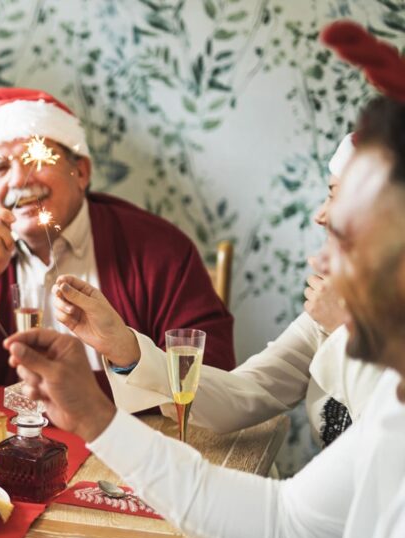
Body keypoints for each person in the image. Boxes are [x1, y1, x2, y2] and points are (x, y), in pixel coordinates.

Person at [5, 92, 405, 538]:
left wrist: (347, 331)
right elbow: (243, 403)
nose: (320, 229)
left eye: (344, 219)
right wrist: (121, 349)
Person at [52, 132, 383, 448]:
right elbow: (244, 394)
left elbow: (387, 458)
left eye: (336, 196)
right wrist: (125, 348)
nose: (320, 215)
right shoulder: (335, 310)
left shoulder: (337, 316)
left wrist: (345, 332)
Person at [0, 88, 236, 395]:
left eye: (37, 158)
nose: (19, 179)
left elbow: (211, 376)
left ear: (82, 172)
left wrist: (121, 364)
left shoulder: (158, 248)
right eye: (0, 168)